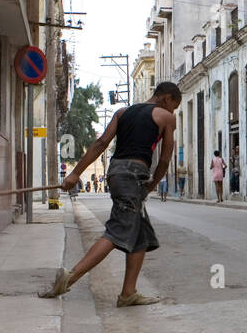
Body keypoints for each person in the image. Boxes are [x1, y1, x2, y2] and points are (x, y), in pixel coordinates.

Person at [39, 82, 181, 305]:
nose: (172, 112)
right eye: (174, 106)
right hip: (134, 176)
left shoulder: (122, 112)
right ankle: (70, 277)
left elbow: (102, 142)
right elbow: (165, 157)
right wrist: (153, 183)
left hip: (115, 173)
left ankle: (128, 293)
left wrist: (75, 174)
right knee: (117, 231)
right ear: (167, 99)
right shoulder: (166, 117)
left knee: (140, 234)